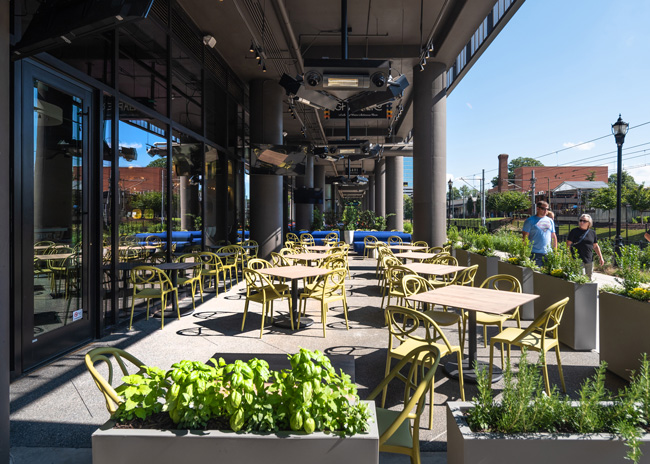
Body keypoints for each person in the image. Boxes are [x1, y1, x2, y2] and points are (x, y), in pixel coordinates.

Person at [567, 213, 604, 280]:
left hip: (589, 259)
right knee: (580, 277)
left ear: (589, 223)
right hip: (577, 259)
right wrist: (569, 256)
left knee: (589, 278)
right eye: (580, 220)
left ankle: (588, 290)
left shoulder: (592, 233)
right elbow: (568, 245)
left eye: (584, 221)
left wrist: (601, 257)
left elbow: (595, 246)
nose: (582, 222)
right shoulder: (574, 231)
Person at [522, 200, 557, 267]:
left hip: (548, 253)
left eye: (547, 209)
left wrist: (555, 251)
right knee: (536, 275)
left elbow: (553, 236)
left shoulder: (550, 221)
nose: (545, 211)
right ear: (537, 208)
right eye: (543, 209)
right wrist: (525, 253)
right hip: (534, 253)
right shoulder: (530, 221)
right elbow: (525, 238)